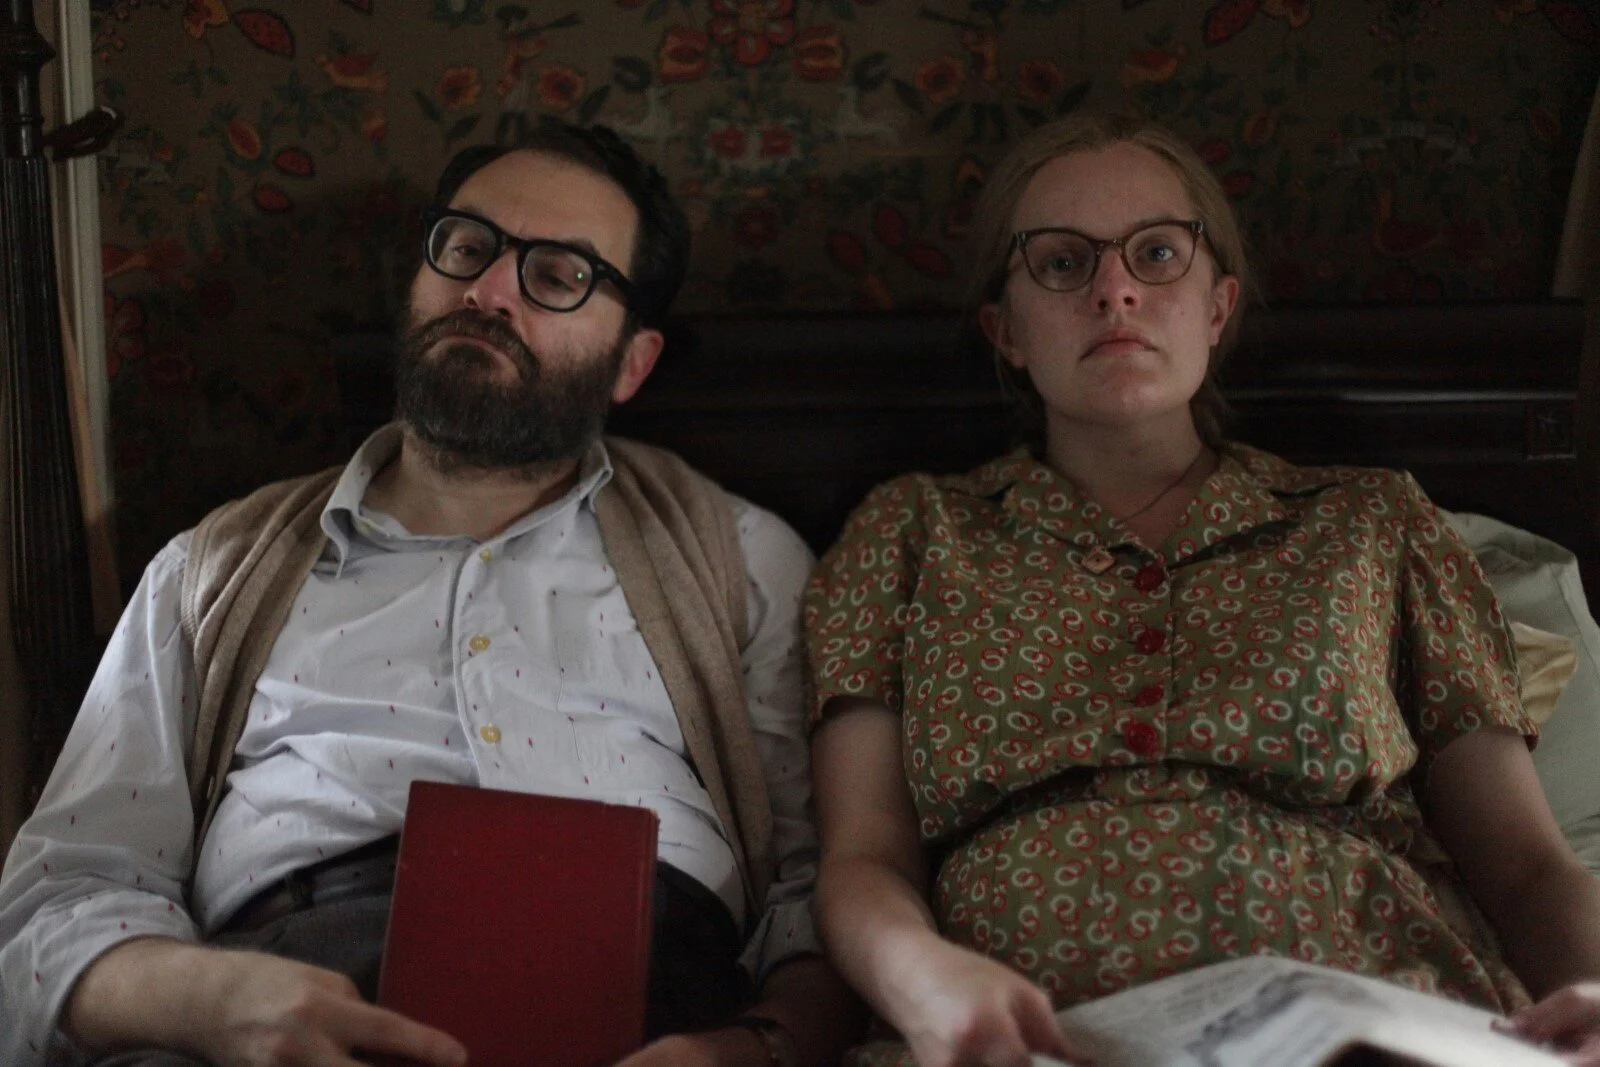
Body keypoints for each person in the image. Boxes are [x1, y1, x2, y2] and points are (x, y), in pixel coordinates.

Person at [0, 118, 856, 1067]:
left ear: (632, 362)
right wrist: (207, 999)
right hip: (284, 1005)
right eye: (467, 246)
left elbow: (823, 887)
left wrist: (756, 1048)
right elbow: (53, 903)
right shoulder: (209, 570)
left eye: (558, 274)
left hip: (656, 1008)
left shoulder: (741, 559)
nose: (489, 291)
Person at [804, 113, 1600, 1067]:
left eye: (1156, 253)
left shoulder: (1371, 518)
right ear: (1005, 330)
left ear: (1218, 307)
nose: (1115, 289)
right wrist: (923, 980)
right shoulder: (913, 530)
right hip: (1022, 1036)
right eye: (1061, 262)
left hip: (1372, 1011)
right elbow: (863, 856)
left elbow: (1527, 864)